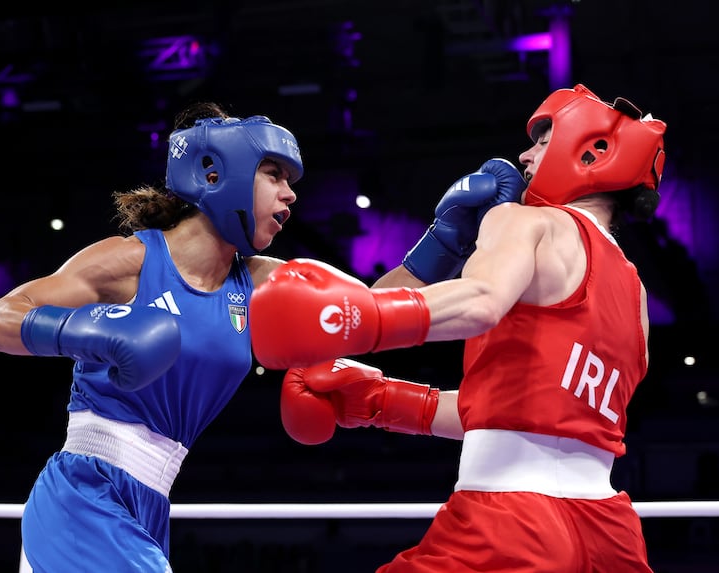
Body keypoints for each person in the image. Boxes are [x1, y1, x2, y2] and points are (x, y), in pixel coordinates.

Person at [0, 97, 527, 570]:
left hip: (150, 502)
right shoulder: (130, 262)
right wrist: (89, 330)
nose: (291, 195)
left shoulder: (260, 283)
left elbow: (366, 310)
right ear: (218, 173)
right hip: (84, 493)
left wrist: (446, 239)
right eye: (274, 175)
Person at [250, 83, 667, 572]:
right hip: (609, 533)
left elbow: (481, 302)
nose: (525, 155)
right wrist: (381, 401)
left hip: (509, 522)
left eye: (542, 141)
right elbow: (523, 418)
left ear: (592, 151)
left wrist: (354, 317)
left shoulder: (524, 222)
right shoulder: (636, 295)